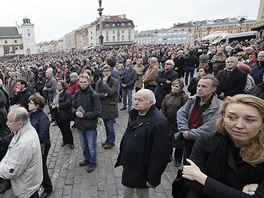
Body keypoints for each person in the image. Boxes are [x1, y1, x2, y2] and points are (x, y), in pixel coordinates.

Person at [182, 94, 264, 198]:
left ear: (262, 122)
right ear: (223, 118)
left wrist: (202, 178)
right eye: (232, 117)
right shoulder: (207, 140)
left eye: (249, 120)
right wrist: (239, 193)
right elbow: (190, 181)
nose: (239, 125)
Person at [115, 89, 170, 198]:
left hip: (143, 168)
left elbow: (160, 154)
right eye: (135, 99)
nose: (135, 102)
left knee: (141, 193)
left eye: (140, 100)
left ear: (151, 103)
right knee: (128, 188)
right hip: (130, 162)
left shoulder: (160, 122)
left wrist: (153, 178)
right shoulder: (135, 113)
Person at [177, 75, 223, 163]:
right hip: (188, 142)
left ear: (213, 89)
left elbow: (211, 127)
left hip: (204, 145)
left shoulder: (219, 107)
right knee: (186, 165)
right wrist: (184, 130)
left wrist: (189, 134)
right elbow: (181, 113)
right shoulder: (193, 100)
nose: (199, 89)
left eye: (204, 86)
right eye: (198, 86)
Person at [0, 106, 43, 198]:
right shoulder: (24, 130)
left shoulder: (24, 144)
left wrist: (1, 164)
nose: (7, 124)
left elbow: (10, 171)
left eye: (10, 121)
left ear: (20, 123)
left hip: (27, 189)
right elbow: (11, 150)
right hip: (29, 183)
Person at [73, 73, 102, 173]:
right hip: (80, 125)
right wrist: (75, 112)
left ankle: (93, 162)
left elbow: (98, 111)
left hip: (90, 126)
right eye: (81, 82)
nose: (82, 84)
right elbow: (73, 106)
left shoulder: (94, 95)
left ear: (89, 82)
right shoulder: (77, 93)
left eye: (85, 82)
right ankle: (87, 159)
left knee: (91, 146)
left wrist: (84, 115)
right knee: (84, 145)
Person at [28, 93, 53, 198]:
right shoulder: (31, 114)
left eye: (31, 103)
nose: (28, 104)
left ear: (37, 105)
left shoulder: (43, 118)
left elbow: (42, 136)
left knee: (42, 167)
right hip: (34, 145)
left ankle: (48, 188)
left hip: (42, 146)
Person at [161, 79, 188, 167]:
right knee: (169, 141)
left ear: (181, 88)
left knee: (179, 143)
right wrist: (163, 118)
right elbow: (163, 107)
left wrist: (180, 122)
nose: (174, 88)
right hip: (168, 122)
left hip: (178, 124)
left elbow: (185, 111)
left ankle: (178, 159)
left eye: (177, 86)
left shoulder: (184, 97)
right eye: (173, 86)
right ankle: (168, 156)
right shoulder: (168, 96)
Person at [95, 65, 119, 149]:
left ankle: (111, 141)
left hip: (111, 107)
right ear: (102, 72)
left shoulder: (115, 81)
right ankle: (108, 139)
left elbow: (112, 92)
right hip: (103, 107)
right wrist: (103, 95)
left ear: (110, 72)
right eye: (104, 71)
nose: (106, 72)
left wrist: (105, 84)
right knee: (106, 125)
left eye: (108, 70)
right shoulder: (99, 82)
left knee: (110, 126)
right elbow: (96, 94)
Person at [51, 80, 74, 149]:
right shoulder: (56, 93)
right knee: (61, 128)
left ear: (63, 86)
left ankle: (71, 142)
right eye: (57, 85)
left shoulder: (67, 93)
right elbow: (53, 101)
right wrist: (52, 104)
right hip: (57, 114)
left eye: (59, 85)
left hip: (65, 114)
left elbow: (68, 103)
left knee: (67, 129)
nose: (57, 86)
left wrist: (57, 105)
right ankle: (65, 140)